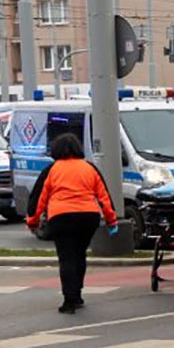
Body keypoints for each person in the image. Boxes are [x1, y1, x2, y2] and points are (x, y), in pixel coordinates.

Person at [25, 133, 118, 314]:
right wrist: (111, 220)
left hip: (61, 217)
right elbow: (103, 196)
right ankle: (78, 294)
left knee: (66, 257)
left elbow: (39, 198)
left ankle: (69, 300)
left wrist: (32, 221)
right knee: (79, 254)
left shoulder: (52, 170)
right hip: (88, 216)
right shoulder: (89, 168)